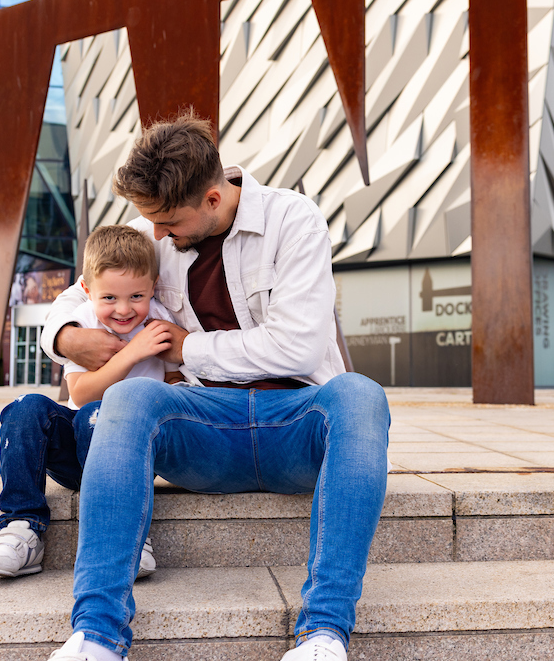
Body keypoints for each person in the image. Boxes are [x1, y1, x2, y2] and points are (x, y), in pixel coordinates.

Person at [40, 111, 390, 661]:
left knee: (361, 394)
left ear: (211, 197)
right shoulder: (157, 227)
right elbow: (79, 293)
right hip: (206, 429)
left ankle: (324, 633)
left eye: (167, 223)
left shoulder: (292, 219)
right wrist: (65, 336)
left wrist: (188, 348)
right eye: (152, 222)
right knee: (129, 397)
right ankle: (97, 637)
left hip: (295, 426)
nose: (157, 235)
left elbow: (297, 347)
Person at [0, 225, 181, 579]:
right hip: (78, 447)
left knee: (100, 415)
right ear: (86, 290)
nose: (123, 309)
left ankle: (124, 534)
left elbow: (176, 382)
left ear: (154, 286)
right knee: (27, 407)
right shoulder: (82, 323)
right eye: (109, 298)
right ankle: (22, 528)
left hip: (132, 456)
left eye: (136, 296)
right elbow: (81, 393)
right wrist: (132, 352)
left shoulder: (161, 322)